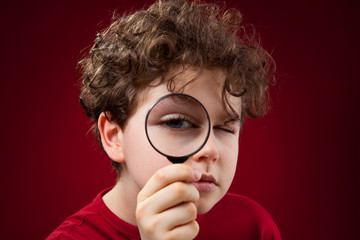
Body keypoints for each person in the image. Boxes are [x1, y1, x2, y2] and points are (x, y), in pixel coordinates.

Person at [47, 0, 281, 239]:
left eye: (225, 127)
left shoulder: (252, 227)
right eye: (177, 122)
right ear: (114, 137)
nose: (210, 149)